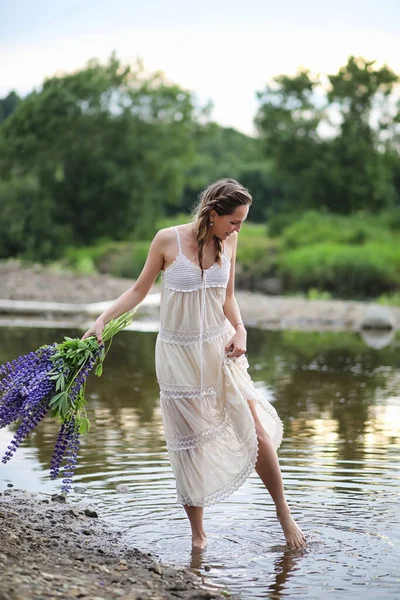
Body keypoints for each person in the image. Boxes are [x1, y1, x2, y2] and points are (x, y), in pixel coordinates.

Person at [83, 178, 306, 551]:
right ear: (213, 213)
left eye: (242, 222)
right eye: (234, 221)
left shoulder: (230, 242)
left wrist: (240, 329)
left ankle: (285, 515)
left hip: (221, 351)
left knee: (255, 432)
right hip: (178, 356)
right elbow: (139, 290)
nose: (238, 228)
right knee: (190, 448)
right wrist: (102, 319)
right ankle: (198, 537)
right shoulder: (166, 240)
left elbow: (228, 297)